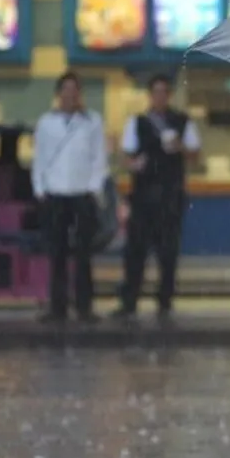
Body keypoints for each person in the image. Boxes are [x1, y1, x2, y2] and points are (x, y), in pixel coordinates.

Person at [111, 74, 201, 321]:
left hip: (171, 195)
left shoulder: (182, 122)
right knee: (135, 251)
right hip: (142, 196)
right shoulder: (137, 122)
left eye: (164, 92)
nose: (160, 97)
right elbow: (125, 157)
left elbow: (195, 155)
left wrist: (180, 148)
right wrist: (134, 164)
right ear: (150, 95)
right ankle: (129, 300)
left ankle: (164, 300)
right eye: (156, 92)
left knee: (168, 252)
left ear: (169, 95)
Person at [31, 72, 108, 324]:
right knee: (57, 254)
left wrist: (94, 188)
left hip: (82, 194)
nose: (70, 94)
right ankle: (58, 308)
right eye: (66, 89)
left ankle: (85, 307)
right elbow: (39, 157)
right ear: (58, 93)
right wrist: (40, 189)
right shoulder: (46, 122)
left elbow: (99, 157)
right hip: (55, 194)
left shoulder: (92, 121)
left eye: (74, 90)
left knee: (84, 254)